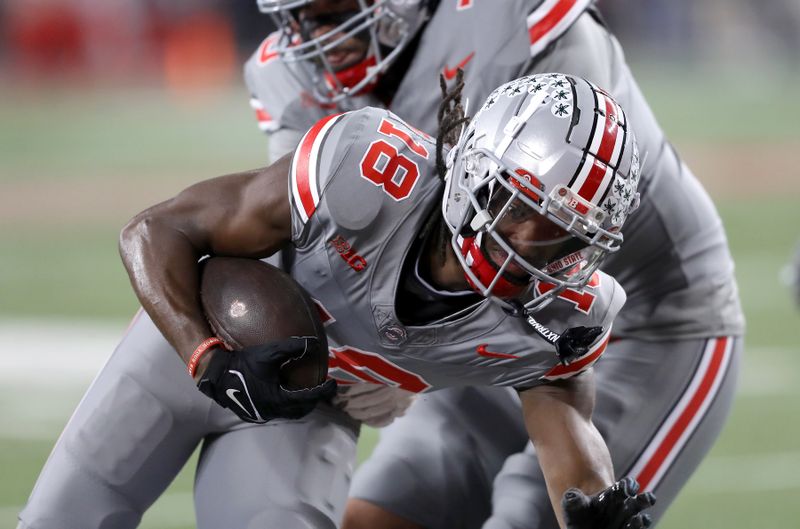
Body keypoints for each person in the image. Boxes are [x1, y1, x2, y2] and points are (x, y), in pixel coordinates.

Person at [18, 74, 654, 529]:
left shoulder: (557, 320)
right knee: (61, 519)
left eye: (568, 237)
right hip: (186, 359)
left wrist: (596, 510)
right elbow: (154, 230)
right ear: (476, 172)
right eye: (526, 212)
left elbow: (570, 449)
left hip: (305, 410)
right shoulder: (365, 171)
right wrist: (208, 358)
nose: (535, 250)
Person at [242, 1, 744, 528]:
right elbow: (307, 241)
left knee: (539, 513)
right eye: (299, 16)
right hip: (482, 321)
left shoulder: (514, 23)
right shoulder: (286, 69)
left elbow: (541, 235)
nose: (313, 37)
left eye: (332, 10)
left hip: (651, 321)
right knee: (379, 516)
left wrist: (404, 365)